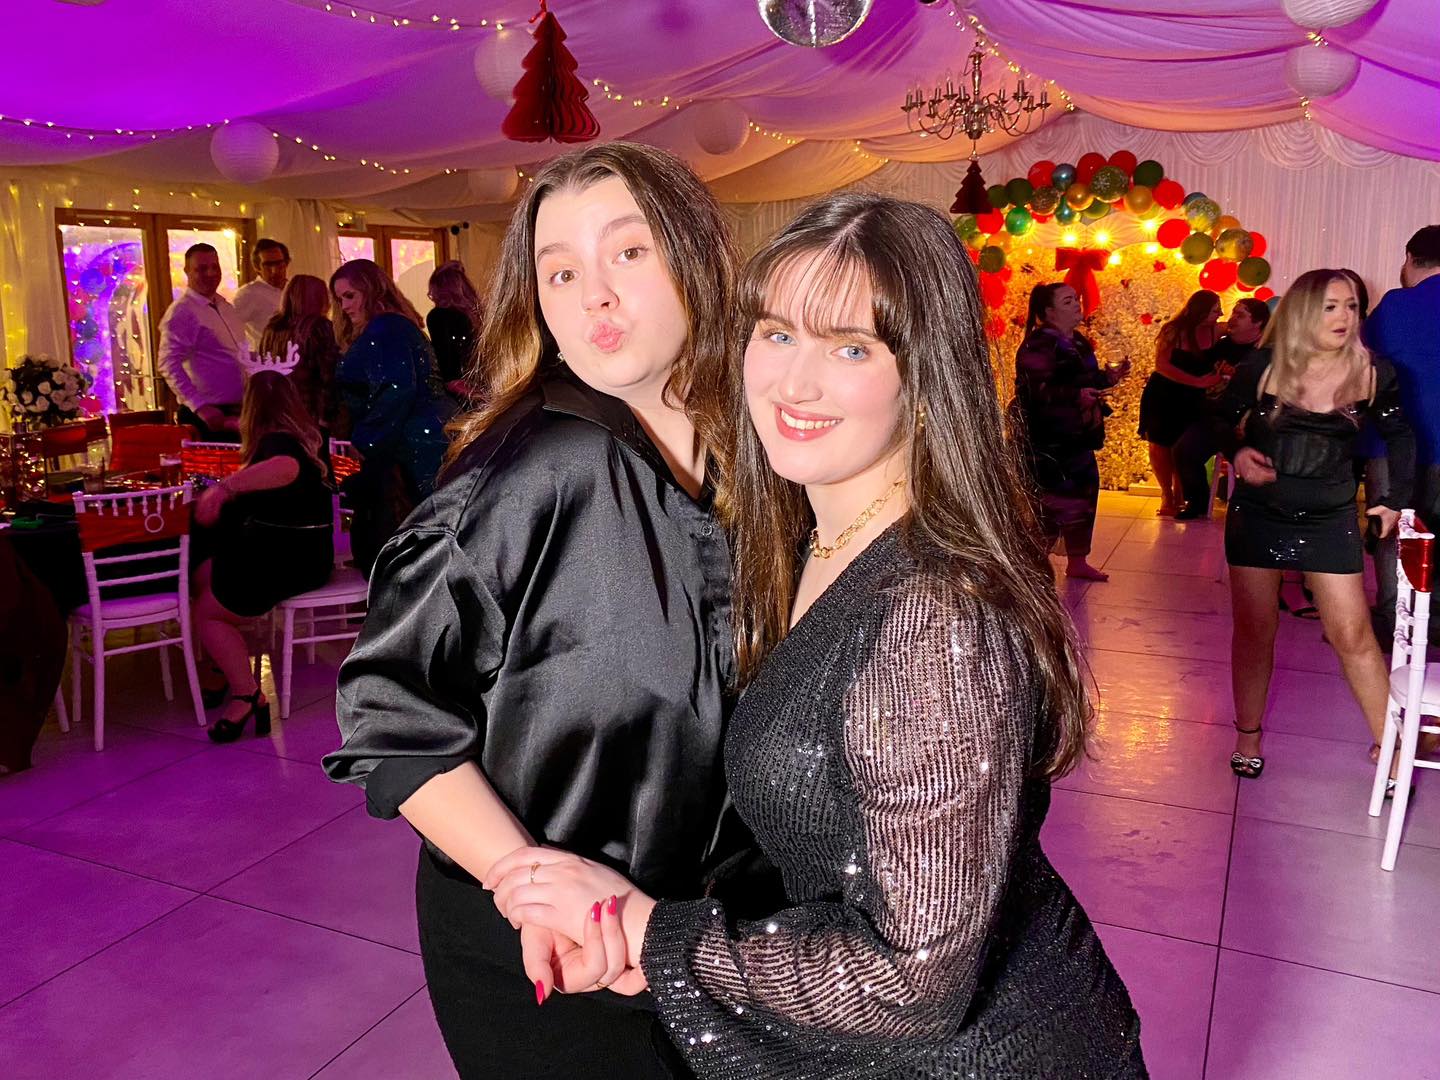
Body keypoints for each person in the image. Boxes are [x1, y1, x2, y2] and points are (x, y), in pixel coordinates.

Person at [484, 193, 1146, 1078]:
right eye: (778, 333)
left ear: (926, 375)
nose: (793, 384)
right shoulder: (805, 539)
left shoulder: (931, 615)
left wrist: (647, 929)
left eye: (850, 347)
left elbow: (912, 981)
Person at [323, 142, 740, 1079]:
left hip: (700, 936)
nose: (596, 295)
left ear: (698, 257)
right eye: (561, 271)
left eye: (628, 251)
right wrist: (532, 885)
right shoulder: (538, 472)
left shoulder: (753, 457)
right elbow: (387, 713)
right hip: (552, 959)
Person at [1215, 269, 1413, 785]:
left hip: (1330, 517)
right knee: (1255, 630)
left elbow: (1401, 436)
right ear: (1303, 311)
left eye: (1352, 306)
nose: (1344, 317)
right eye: (1330, 306)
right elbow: (1217, 419)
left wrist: (1392, 500)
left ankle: (1390, 745)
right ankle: (1248, 736)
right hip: (1260, 515)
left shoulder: (1372, 371)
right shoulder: (1263, 365)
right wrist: (1238, 450)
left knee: (1353, 634)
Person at [191, 369, 335, 743]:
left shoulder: (278, 442)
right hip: (309, 557)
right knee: (205, 574)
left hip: (287, 562)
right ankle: (222, 668)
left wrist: (223, 489)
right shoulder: (310, 437)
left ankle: (246, 695)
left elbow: (286, 467)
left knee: (206, 612)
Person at [329, 259, 454, 575]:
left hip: (413, 440)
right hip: (419, 435)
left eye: (350, 296)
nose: (344, 306)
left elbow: (396, 389)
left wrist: (366, 440)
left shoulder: (386, 328)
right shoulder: (392, 326)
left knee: (428, 527)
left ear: (371, 291)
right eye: (340, 298)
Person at [1012, 282, 1129, 582]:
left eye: (1075, 298)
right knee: (1051, 502)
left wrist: (1108, 378)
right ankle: (1031, 568)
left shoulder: (1077, 341)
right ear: (1049, 311)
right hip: (1046, 439)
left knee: (1084, 494)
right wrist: (1075, 396)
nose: (1077, 304)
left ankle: (1078, 561)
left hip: (1076, 436)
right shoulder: (1039, 344)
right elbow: (1035, 391)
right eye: (1067, 301)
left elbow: (1086, 380)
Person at [1366, 227, 1440, 639]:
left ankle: (1394, 622)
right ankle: (1434, 621)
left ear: (1410, 257)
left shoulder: (1396, 304)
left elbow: (1360, 358)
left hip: (1393, 441)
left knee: (1391, 529)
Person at [1172, 297, 1272, 518]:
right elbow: (1196, 367)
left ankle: (1252, 506)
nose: (1232, 318)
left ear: (1258, 323)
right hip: (1214, 418)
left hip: (1246, 424)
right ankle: (1197, 502)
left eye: (1240, 315)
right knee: (1183, 450)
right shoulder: (1223, 345)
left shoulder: (1264, 353)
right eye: (1233, 313)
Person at [1137, 290, 1223, 516]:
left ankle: (1180, 492)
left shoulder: (1217, 330)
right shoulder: (1173, 330)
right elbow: (1161, 365)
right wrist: (1197, 382)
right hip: (1164, 393)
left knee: (1182, 444)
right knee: (1159, 445)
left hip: (1193, 398)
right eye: (1215, 310)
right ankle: (1166, 494)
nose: (1220, 314)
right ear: (1200, 310)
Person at [156, 243, 245, 440]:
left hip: (237, 410)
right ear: (187, 271)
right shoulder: (183, 311)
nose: (211, 273)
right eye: (202, 269)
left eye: (215, 267)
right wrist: (200, 406)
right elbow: (167, 363)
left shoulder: (225, 306)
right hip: (209, 416)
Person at [258, 274, 342, 434]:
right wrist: (328, 418)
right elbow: (329, 375)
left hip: (278, 414)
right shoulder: (319, 327)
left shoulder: (272, 328)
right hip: (311, 414)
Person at [425, 260, 483, 396]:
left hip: (459, 394)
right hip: (483, 386)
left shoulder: (438, 317)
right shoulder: (479, 316)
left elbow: (448, 367)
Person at [233, 239, 291, 346]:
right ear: (257, 267)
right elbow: (229, 328)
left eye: (279, 264)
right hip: (266, 355)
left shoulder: (294, 289)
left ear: (286, 263)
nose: (274, 271)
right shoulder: (248, 294)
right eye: (268, 265)